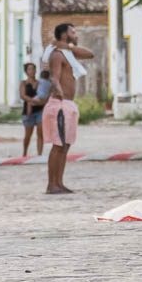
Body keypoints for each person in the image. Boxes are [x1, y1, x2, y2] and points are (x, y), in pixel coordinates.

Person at [42, 22, 94, 194]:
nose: (76, 35)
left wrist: (68, 47)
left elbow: (90, 54)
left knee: (66, 146)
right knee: (58, 145)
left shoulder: (68, 53)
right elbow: (54, 76)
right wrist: (57, 87)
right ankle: (52, 184)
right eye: (73, 32)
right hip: (59, 104)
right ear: (64, 34)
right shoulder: (57, 55)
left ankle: (60, 182)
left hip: (69, 104)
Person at [19, 62, 46, 156]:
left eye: (33, 69)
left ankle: (39, 154)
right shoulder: (23, 83)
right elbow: (22, 95)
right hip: (28, 111)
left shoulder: (40, 82)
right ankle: (25, 152)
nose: (32, 71)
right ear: (26, 71)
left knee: (40, 133)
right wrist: (33, 101)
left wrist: (40, 102)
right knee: (28, 135)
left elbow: (45, 93)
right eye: (30, 69)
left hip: (40, 110)